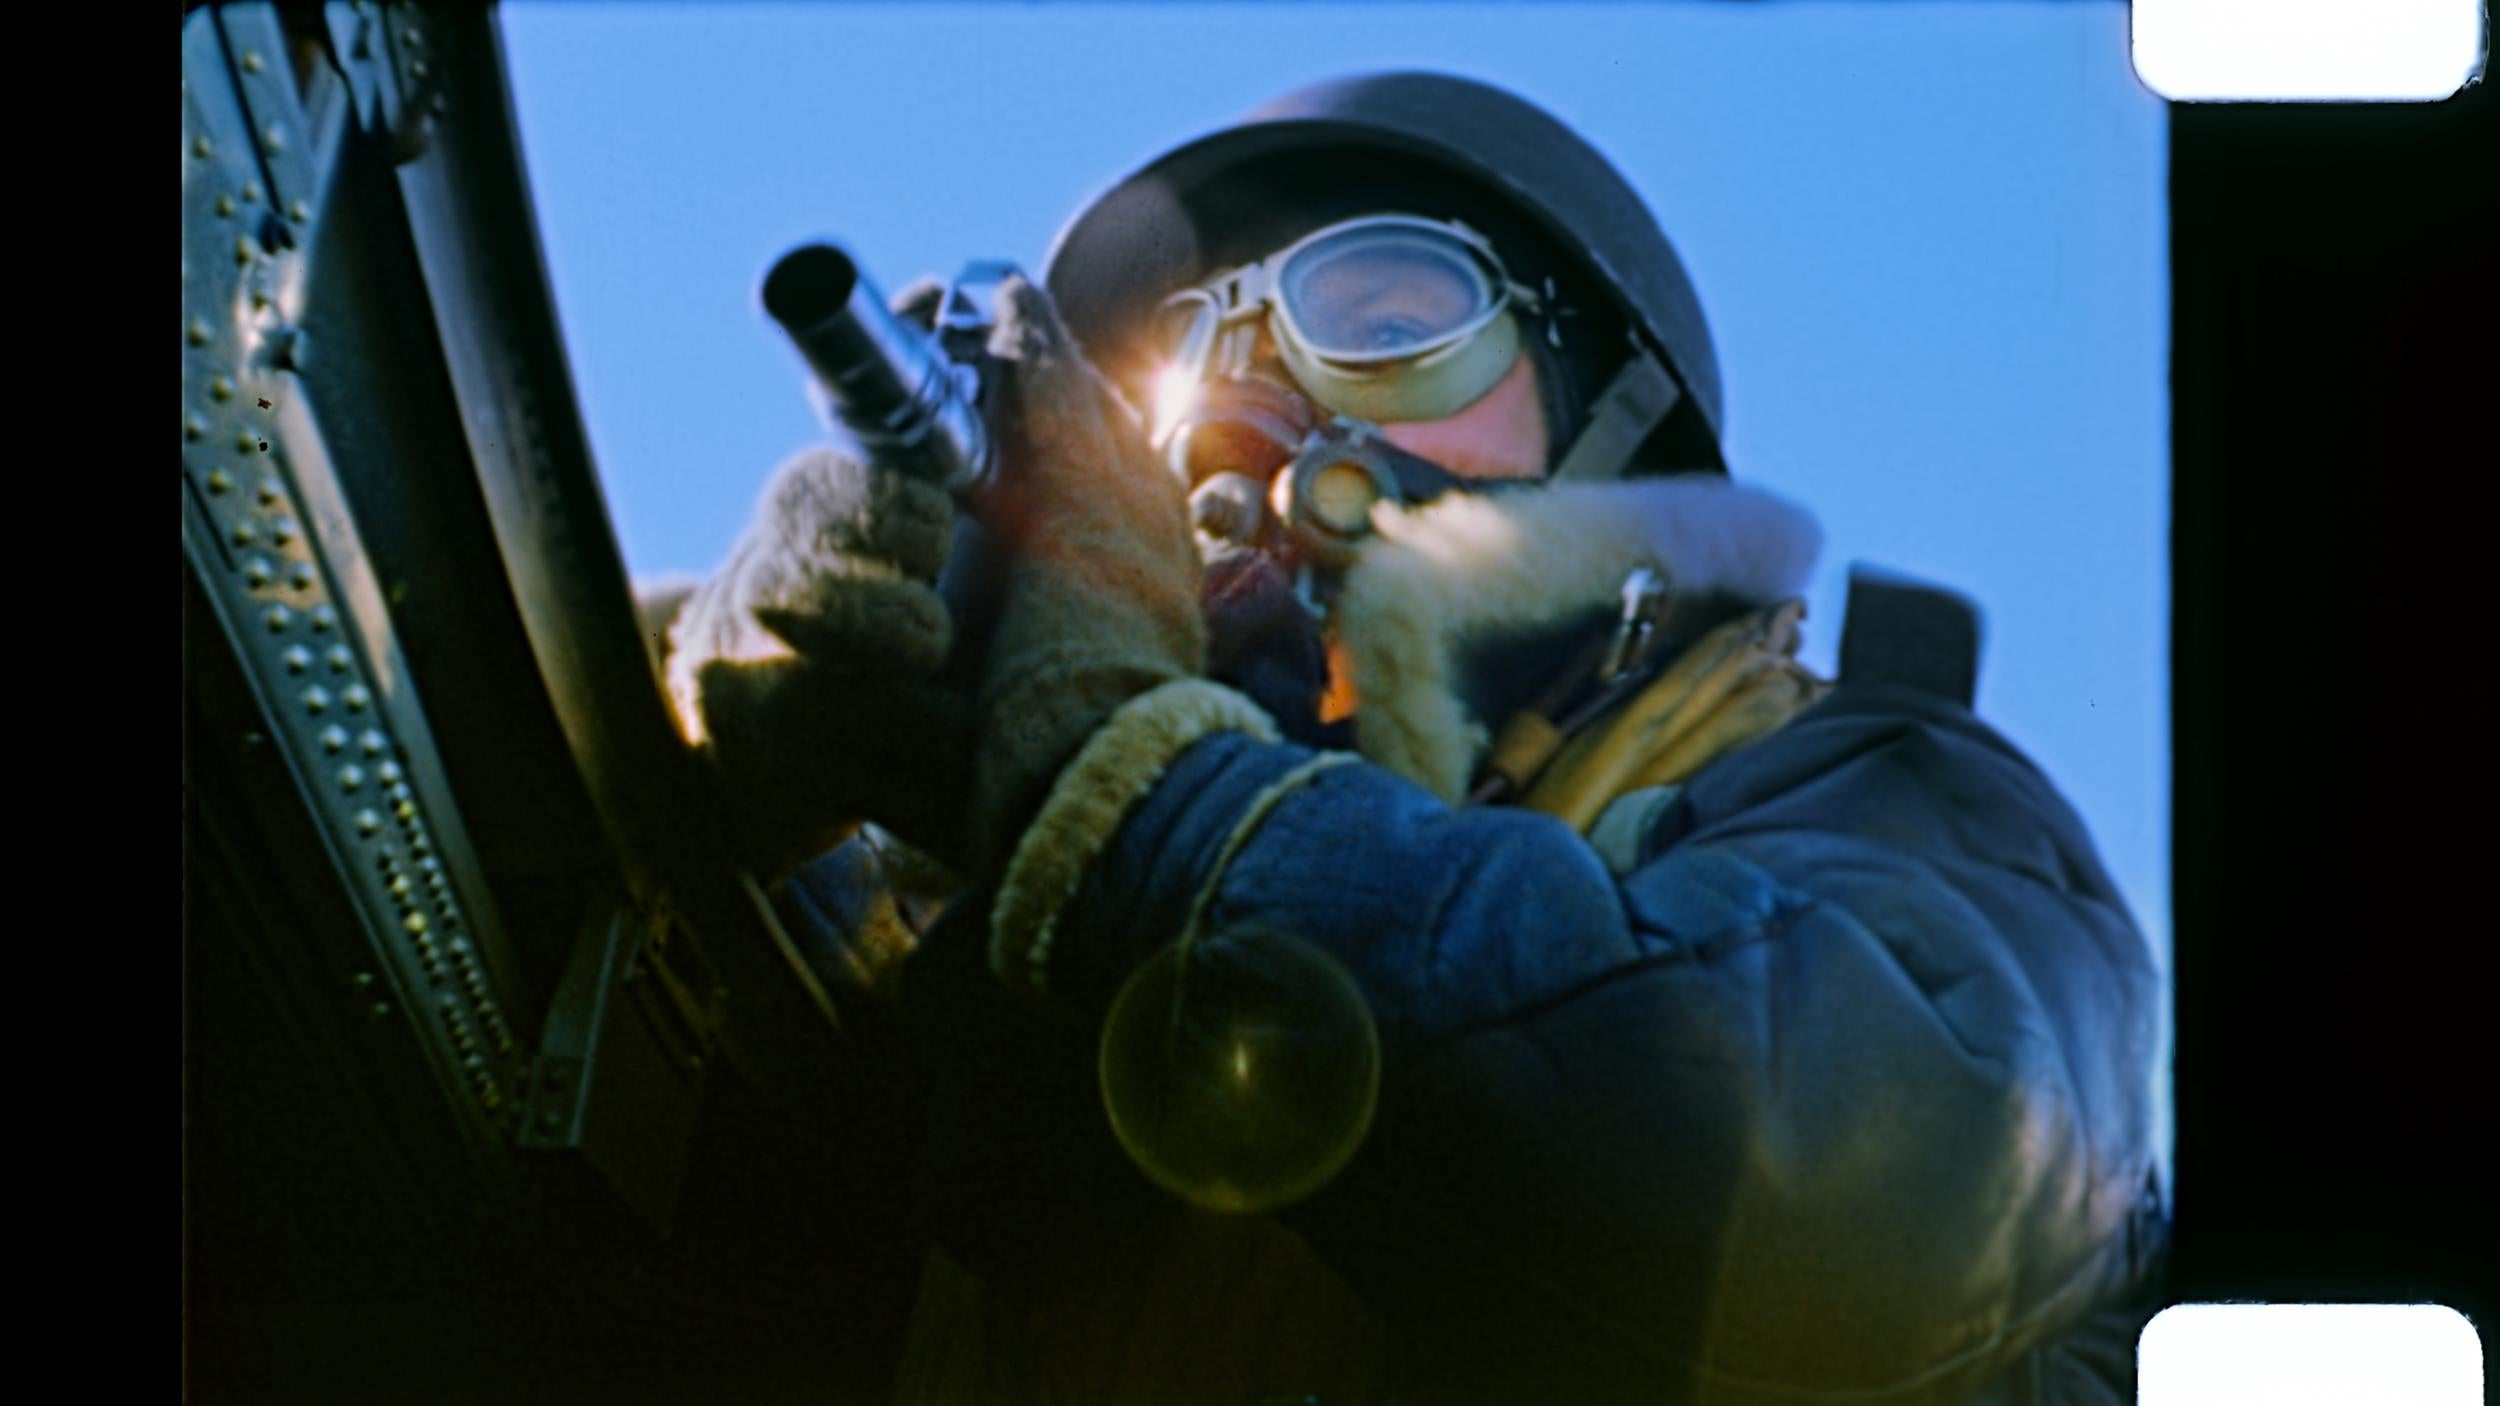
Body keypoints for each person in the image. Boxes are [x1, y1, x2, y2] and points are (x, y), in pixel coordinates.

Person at [655, 72, 2167, 1406]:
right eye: (1171, 368)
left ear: (1612, 431)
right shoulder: (1066, 909)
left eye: (1386, 323)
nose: (1256, 401)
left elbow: (1843, 1206)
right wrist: (751, 767)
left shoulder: (1879, 800)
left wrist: (1145, 800)